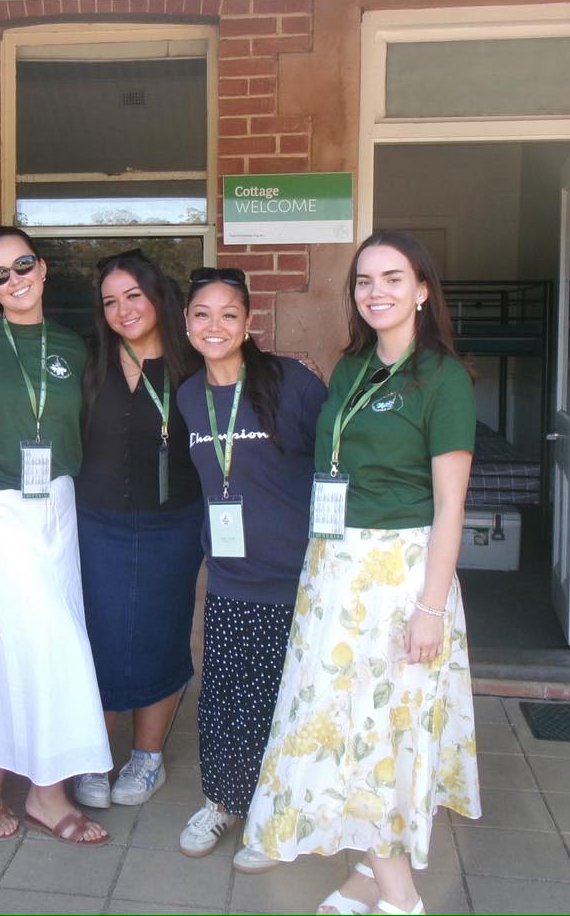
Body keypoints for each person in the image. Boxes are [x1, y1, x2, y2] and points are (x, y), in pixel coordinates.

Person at [242, 230, 481, 916]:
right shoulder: (350, 369)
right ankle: (368, 877)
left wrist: (430, 609)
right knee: (342, 723)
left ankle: (401, 895)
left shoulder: (443, 380)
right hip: (335, 567)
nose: (376, 292)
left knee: (382, 730)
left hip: (400, 573)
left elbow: (451, 506)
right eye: (364, 281)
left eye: (393, 278)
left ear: (423, 291)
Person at [0, 225, 112, 845]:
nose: (15, 281)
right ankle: (45, 793)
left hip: (55, 504)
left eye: (23, 265)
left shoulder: (74, 346)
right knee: (37, 640)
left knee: (26, 642)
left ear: (42, 266)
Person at [173, 266, 327, 871]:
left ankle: (277, 813)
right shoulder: (189, 397)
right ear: (186, 322)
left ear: (248, 323)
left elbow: (335, 461)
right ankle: (223, 801)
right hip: (232, 577)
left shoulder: (292, 383)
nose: (214, 326)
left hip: (298, 578)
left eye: (228, 315)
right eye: (202, 314)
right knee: (225, 700)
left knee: (286, 703)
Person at [72, 249, 204, 811]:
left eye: (133, 296)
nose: (123, 310)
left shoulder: (194, 362)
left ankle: (147, 757)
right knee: (97, 635)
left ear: (158, 297)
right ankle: (95, 755)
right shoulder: (88, 360)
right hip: (95, 522)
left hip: (174, 522)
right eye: (110, 301)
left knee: (161, 632)